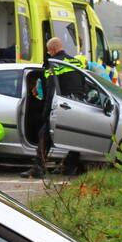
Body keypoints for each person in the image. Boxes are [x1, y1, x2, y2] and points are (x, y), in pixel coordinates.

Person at [22, 37, 86, 179]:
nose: (48, 53)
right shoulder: (76, 62)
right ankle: (70, 166)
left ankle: (38, 168)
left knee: (45, 134)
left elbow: (50, 90)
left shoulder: (53, 64)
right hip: (79, 105)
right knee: (75, 135)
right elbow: (84, 83)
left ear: (53, 49)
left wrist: (45, 113)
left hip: (62, 105)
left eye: (49, 50)